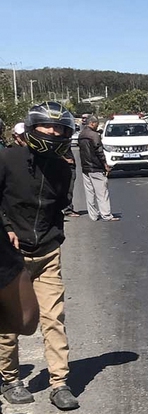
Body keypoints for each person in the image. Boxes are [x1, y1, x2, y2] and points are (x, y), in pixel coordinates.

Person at [0, 102, 80, 410]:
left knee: (54, 318)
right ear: (33, 129)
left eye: (60, 128)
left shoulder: (63, 168)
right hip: (10, 256)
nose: (54, 132)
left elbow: (59, 207)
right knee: (11, 320)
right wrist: (6, 228)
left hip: (47, 252)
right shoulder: (7, 159)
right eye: (48, 126)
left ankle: (59, 383)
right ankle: (10, 379)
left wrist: (55, 238)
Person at [78, 115, 119, 222]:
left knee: (89, 193)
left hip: (85, 168)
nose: (97, 126)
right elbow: (99, 152)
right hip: (96, 167)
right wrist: (105, 165)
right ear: (92, 123)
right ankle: (106, 214)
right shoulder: (94, 135)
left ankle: (93, 215)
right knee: (102, 192)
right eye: (96, 124)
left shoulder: (81, 135)